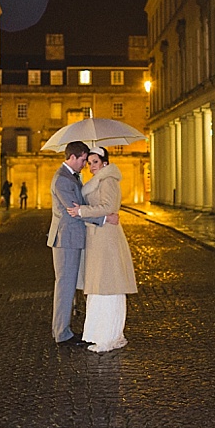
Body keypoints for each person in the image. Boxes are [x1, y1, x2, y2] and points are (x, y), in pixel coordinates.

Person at [47, 141, 119, 346]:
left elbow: (83, 206)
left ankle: (63, 330)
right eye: (83, 160)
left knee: (70, 285)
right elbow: (74, 210)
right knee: (65, 286)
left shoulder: (72, 177)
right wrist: (105, 219)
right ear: (73, 157)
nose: (84, 164)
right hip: (66, 239)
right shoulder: (62, 179)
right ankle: (62, 334)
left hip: (73, 238)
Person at [68, 146, 137, 353]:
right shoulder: (96, 182)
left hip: (107, 239)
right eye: (89, 163)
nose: (91, 167)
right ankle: (97, 333)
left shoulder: (108, 180)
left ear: (105, 163)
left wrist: (82, 210)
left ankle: (107, 335)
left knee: (107, 285)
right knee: (99, 286)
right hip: (97, 238)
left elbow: (108, 207)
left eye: (95, 162)